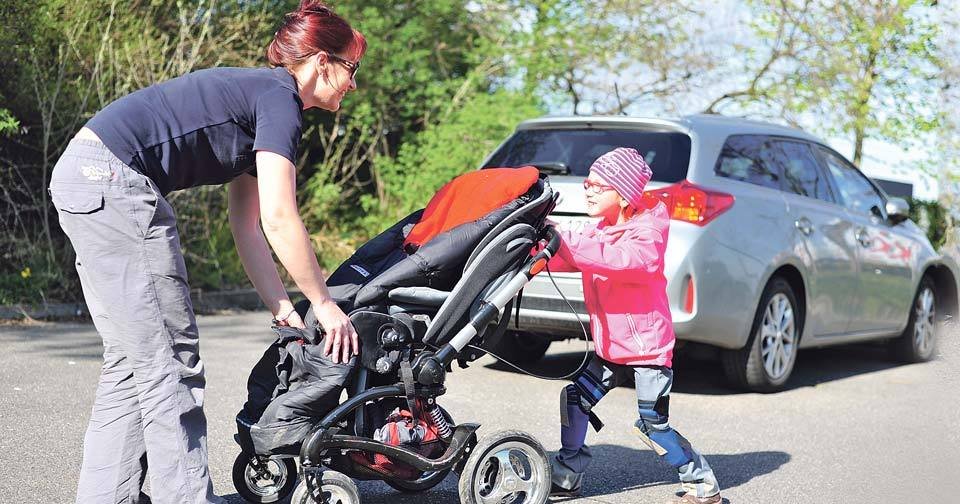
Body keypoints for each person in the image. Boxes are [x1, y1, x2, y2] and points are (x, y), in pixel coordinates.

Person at [47, 2, 363, 503]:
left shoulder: (259, 97)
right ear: (322, 61)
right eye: (352, 68)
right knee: (172, 358)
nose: (352, 84)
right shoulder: (280, 98)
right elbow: (281, 217)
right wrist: (323, 304)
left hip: (84, 175)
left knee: (134, 361)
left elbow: (249, 225)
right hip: (113, 181)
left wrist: (283, 306)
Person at [545, 148, 722, 504]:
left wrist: (566, 238)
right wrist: (540, 246)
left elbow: (619, 259)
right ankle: (567, 477)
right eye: (587, 183)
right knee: (575, 400)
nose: (588, 191)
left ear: (624, 194)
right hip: (612, 350)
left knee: (652, 424)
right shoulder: (601, 230)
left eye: (598, 185)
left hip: (648, 352)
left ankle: (702, 484)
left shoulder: (646, 236)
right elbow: (574, 256)